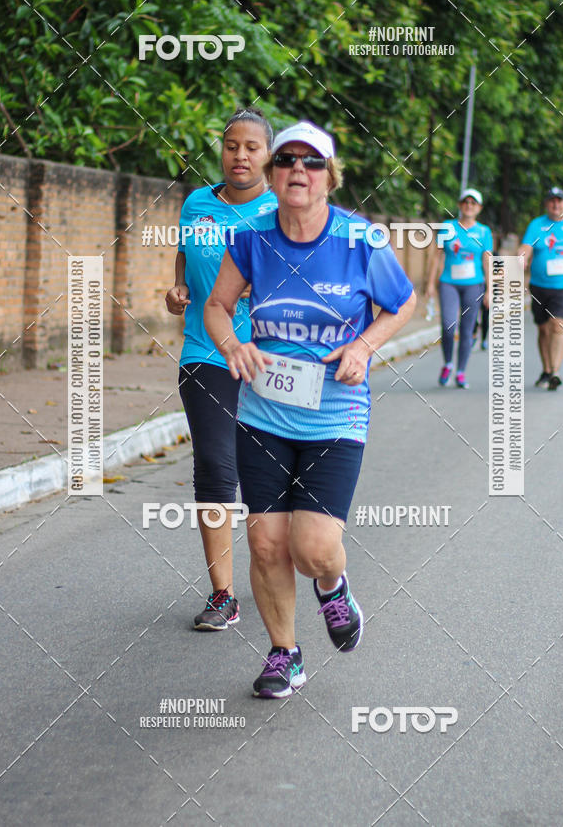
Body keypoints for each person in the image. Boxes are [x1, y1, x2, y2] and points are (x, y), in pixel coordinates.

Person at [204, 121, 416, 697]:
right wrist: (232, 344)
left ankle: (333, 586)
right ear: (273, 174)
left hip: (336, 414)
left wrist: (364, 345)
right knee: (266, 542)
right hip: (262, 413)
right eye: (288, 160)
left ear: (329, 176)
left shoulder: (359, 240)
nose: (299, 170)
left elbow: (402, 303)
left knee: (312, 549)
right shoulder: (251, 239)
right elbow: (218, 306)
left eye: (312, 162)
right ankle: (285, 654)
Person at [165, 108, 277, 630]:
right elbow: (185, 258)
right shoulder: (197, 203)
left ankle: (272, 567)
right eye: (232, 145)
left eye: (252, 147)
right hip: (205, 351)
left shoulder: (283, 207)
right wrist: (180, 288)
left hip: (271, 358)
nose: (240, 155)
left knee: (266, 474)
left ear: (268, 155)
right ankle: (223, 594)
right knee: (214, 465)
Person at [518, 186, 563, 391]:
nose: (556, 204)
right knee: (543, 329)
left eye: (560, 201)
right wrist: (520, 256)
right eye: (552, 201)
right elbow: (526, 247)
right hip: (539, 287)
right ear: (546, 204)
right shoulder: (537, 225)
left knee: (557, 327)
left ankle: (555, 372)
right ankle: (547, 369)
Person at [425, 188, 492, 388]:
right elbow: (436, 256)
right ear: (460, 205)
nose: (469, 206)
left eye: (473, 203)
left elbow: (487, 260)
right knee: (448, 324)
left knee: (467, 329)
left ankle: (461, 371)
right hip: (449, 283)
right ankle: (447, 363)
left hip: (474, 284)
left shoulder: (484, 231)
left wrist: (490, 289)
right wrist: (430, 283)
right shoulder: (447, 227)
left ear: (479, 208)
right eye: (466, 202)